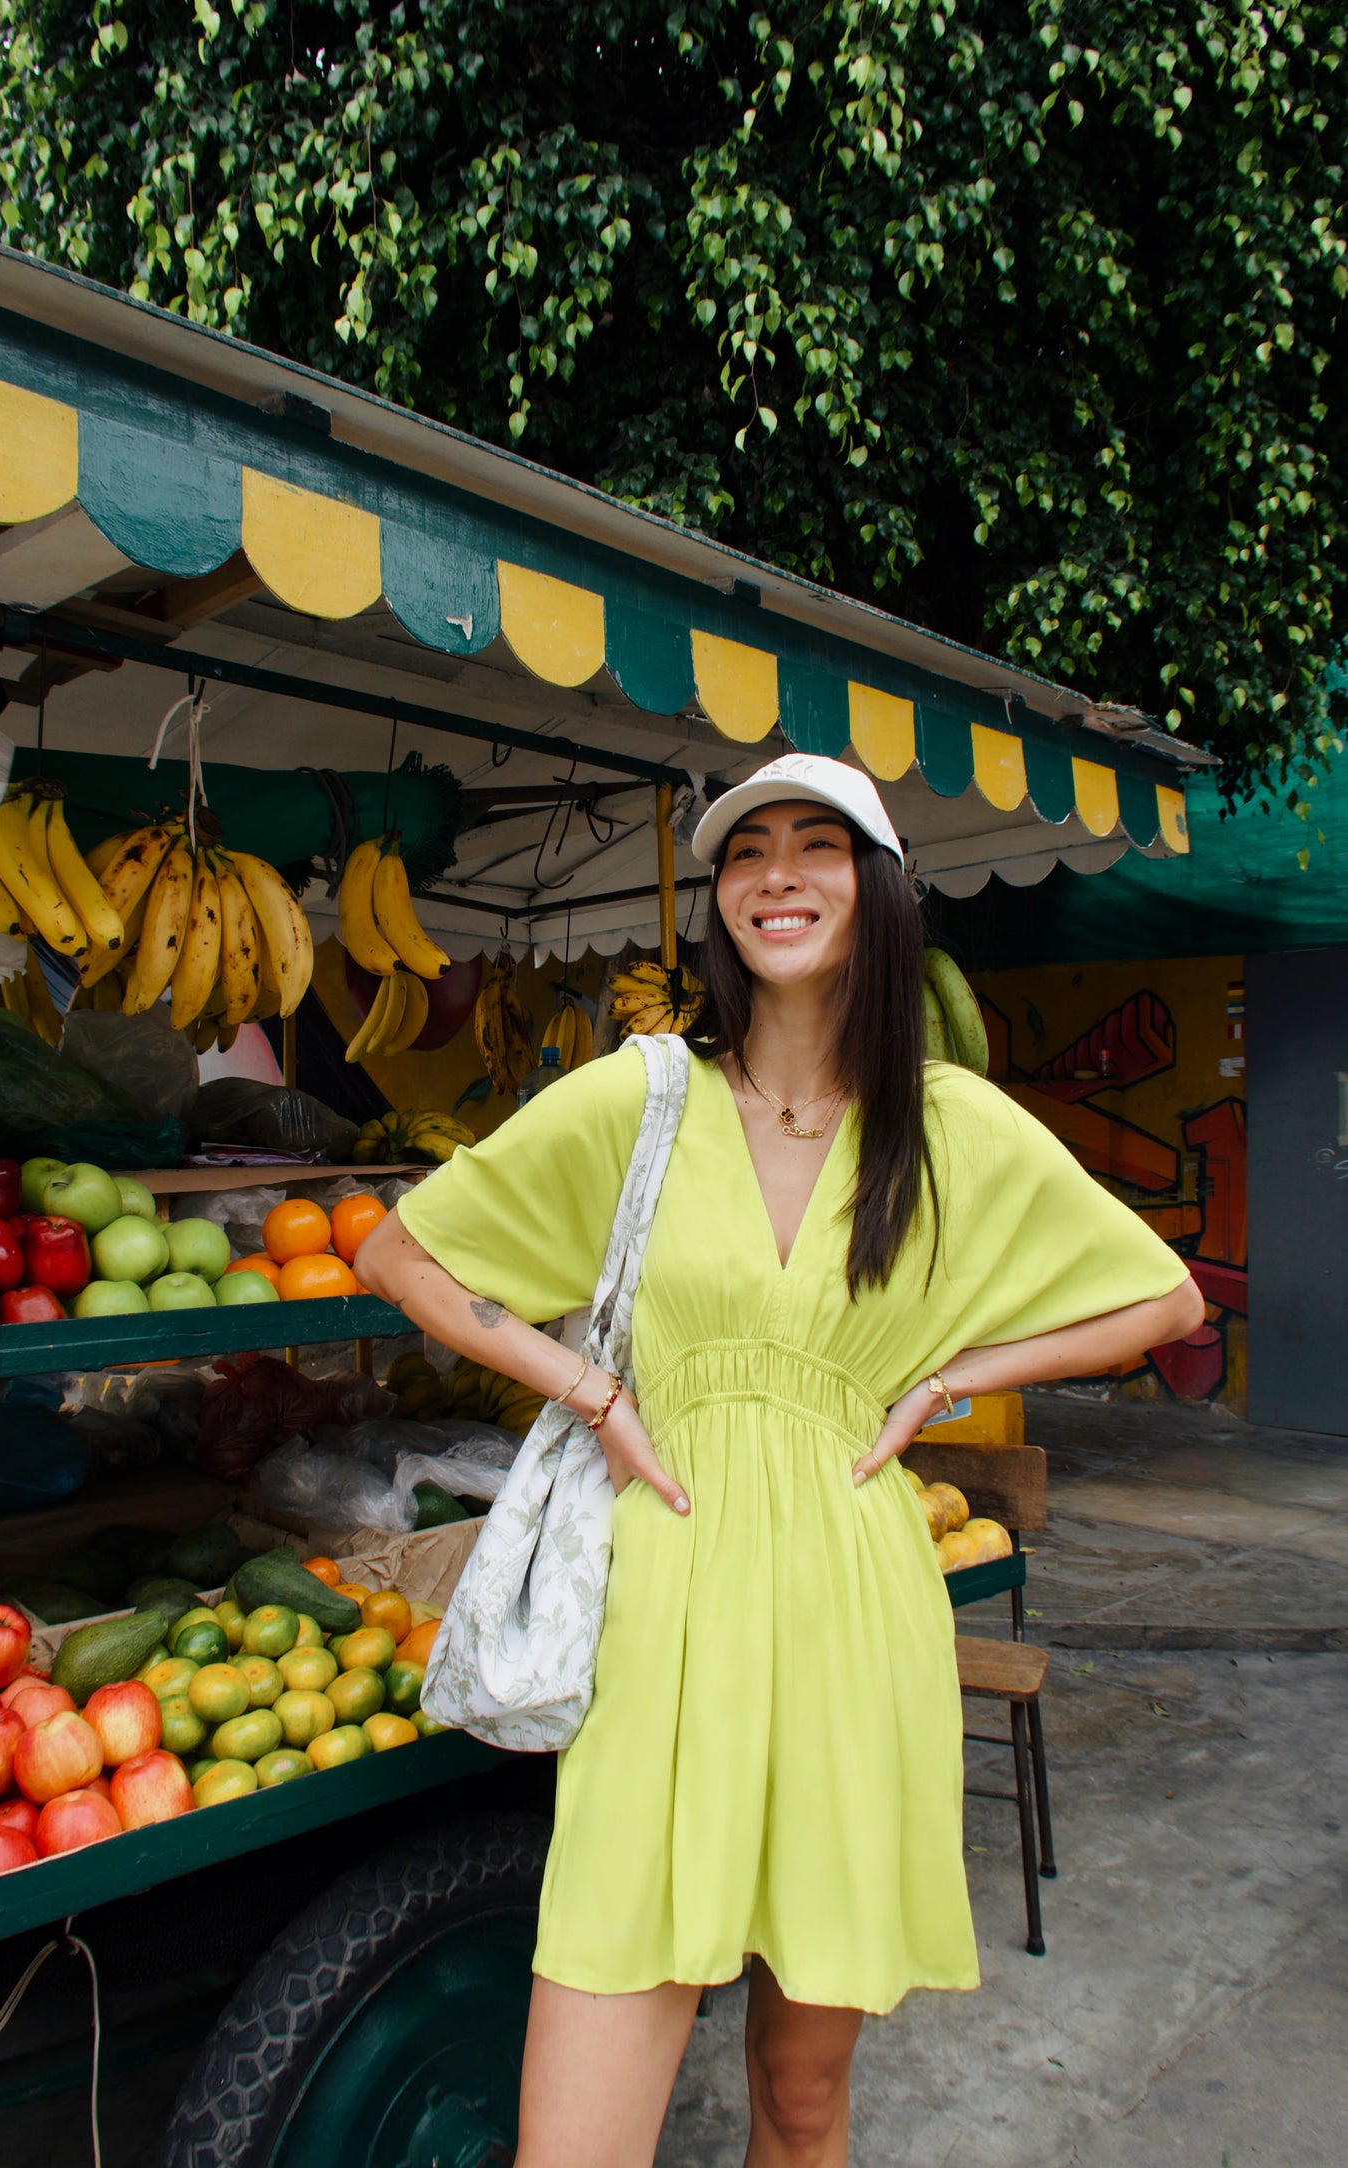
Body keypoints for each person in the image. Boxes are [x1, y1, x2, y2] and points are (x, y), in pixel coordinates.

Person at [353, 751, 1203, 2168]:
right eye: (747, 854)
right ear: (719, 904)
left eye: (816, 846)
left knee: (801, 2105)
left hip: (853, 1626)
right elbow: (401, 1253)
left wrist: (954, 1374)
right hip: (666, 1621)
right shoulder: (639, 1100)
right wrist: (586, 1386)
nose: (777, 876)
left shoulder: (948, 1130)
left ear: (874, 893)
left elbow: (1162, 1303)